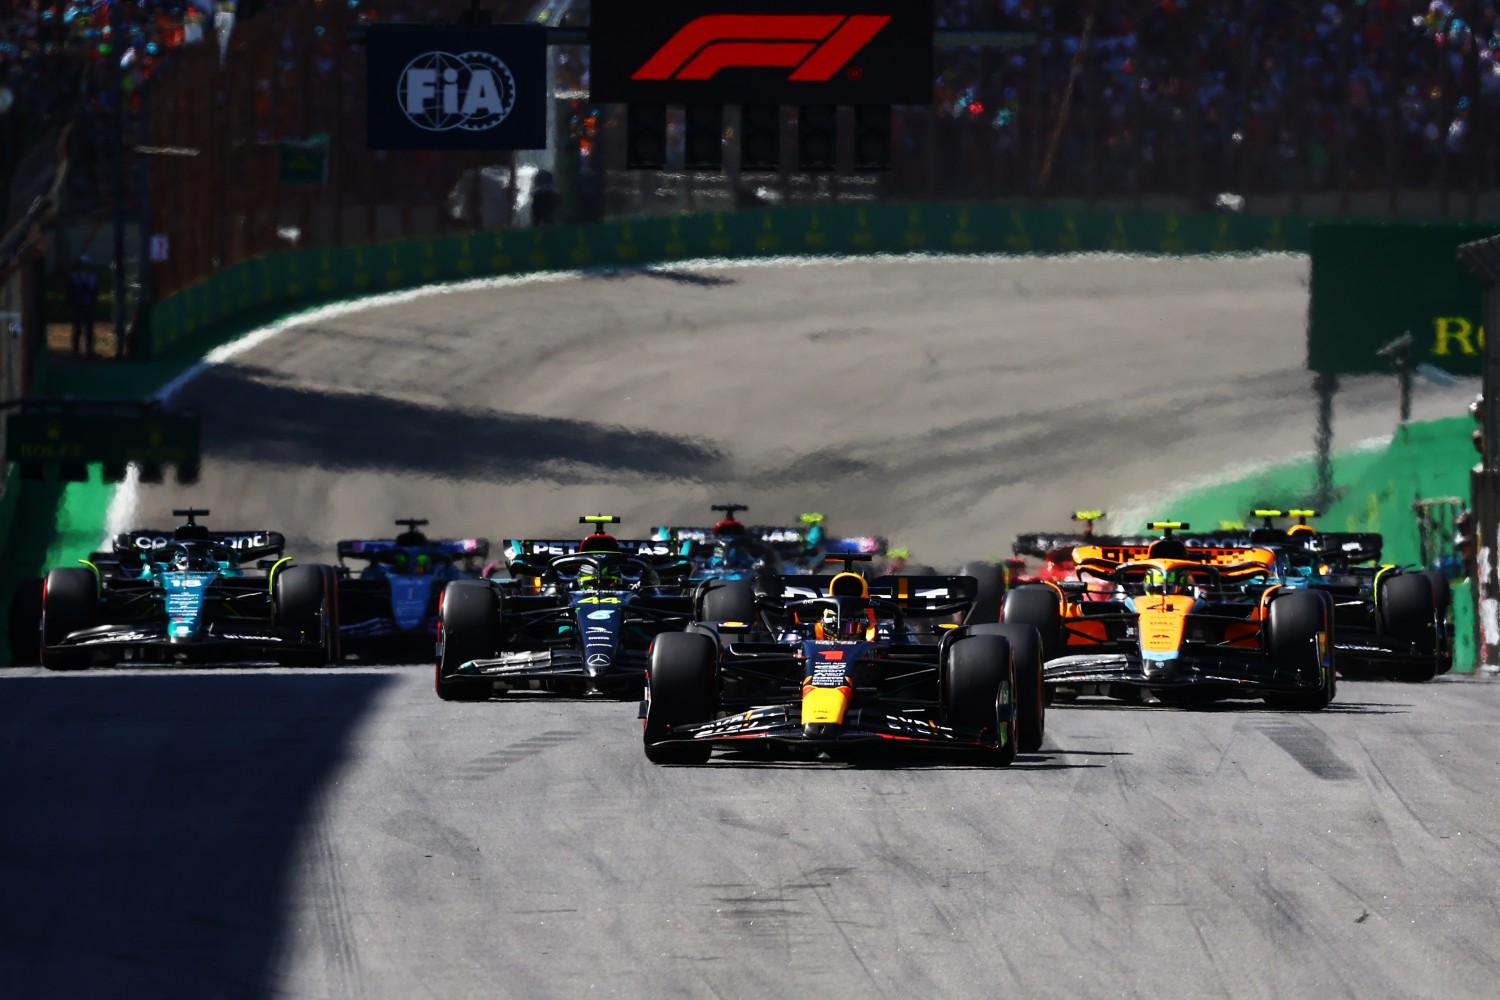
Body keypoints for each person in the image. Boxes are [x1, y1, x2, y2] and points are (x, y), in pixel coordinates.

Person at [67, 255, 99, 359]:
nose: (84, 266)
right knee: (78, 328)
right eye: (82, 264)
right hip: (78, 306)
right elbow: (70, 293)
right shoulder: (74, 277)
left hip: (89, 305)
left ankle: (89, 350)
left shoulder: (92, 277)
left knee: (89, 328)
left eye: (86, 264)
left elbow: (95, 292)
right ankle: (75, 350)